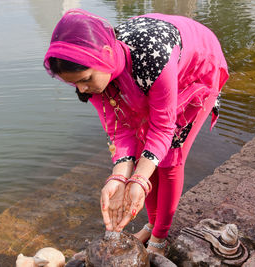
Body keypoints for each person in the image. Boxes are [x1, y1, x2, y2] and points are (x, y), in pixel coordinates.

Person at [43, 9, 228, 255]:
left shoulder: (154, 60)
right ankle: (152, 224)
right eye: (74, 83)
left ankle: (160, 238)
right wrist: (119, 178)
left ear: (105, 56)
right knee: (144, 152)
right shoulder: (92, 78)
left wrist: (139, 179)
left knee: (171, 158)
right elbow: (119, 130)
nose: (82, 88)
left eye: (85, 79)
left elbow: (163, 127)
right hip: (144, 68)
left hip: (192, 70)